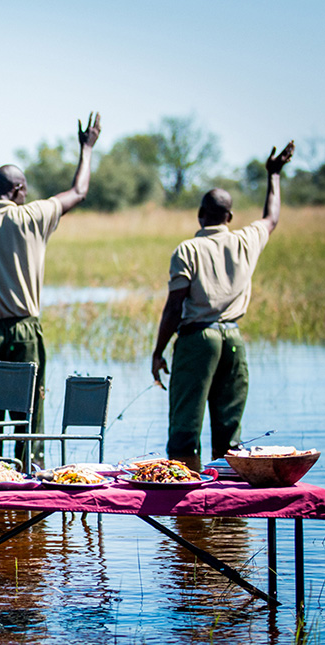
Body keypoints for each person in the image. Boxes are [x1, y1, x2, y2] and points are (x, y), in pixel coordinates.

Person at [0, 112, 101, 454]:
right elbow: (79, 191)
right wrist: (86, 148)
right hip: (25, 332)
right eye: (24, 190)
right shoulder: (34, 216)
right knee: (28, 422)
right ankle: (25, 491)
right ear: (18, 190)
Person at [151, 142, 295, 470]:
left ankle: (185, 508)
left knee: (184, 430)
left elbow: (174, 308)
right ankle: (228, 508)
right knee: (230, 435)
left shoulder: (188, 250)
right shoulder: (246, 239)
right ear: (229, 217)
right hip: (234, 340)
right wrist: (274, 175)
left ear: (200, 216)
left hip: (198, 339)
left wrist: (158, 351)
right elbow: (271, 217)